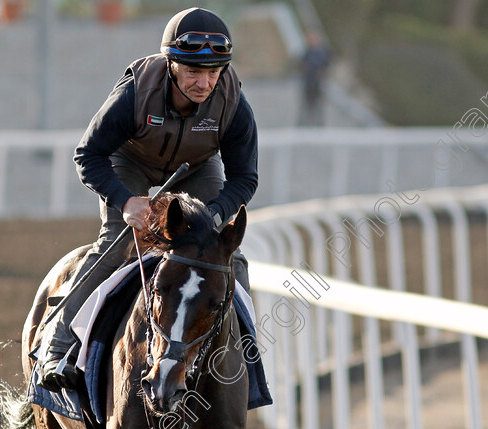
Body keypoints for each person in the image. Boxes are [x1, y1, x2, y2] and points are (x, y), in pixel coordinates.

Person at [37, 7, 259, 392]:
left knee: (229, 255)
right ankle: (56, 347)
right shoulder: (134, 93)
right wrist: (126, 202)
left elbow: (244, 178)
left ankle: (243, 359)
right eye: (193, 71)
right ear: (171, 64)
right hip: (130, 162)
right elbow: (87, 155)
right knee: (118, 244)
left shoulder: (234, 103)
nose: (204, 83)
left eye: (212, 73)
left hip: (196, 168)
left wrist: (214, 214)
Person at [298, 31, 332, 127]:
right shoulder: (307, 53)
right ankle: (304, 124)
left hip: (318, 84)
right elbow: (302, 66)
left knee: (318, 106)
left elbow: (326, 66)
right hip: (308, 83)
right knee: (306, 105)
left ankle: (319, 124)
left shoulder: (322, 53)